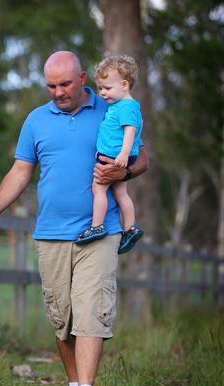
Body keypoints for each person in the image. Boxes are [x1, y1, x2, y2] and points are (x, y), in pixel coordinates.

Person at [0, 51, 149, 386]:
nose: (57, 92)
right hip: (51, 232)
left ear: (83, 78)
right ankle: (74, 385)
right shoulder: (36, 121)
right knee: (63, 318)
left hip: (100, 229)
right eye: (51, 86)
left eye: (65, 84)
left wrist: (123, 173)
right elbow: (20, 172)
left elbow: (142, 159)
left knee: (90, 310)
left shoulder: (111, 108)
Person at [75, 55, 144, 254]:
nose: (103, 93)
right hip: (117, 156)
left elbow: (130, 130)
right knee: (121, 192)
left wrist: (123, 154)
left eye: (107, 88)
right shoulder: (121, 105)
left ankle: (97, 226)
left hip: (114, 157)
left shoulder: (127, 107)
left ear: (124, 84)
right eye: (100, 88)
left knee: (99, 189)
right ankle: (130, 228)